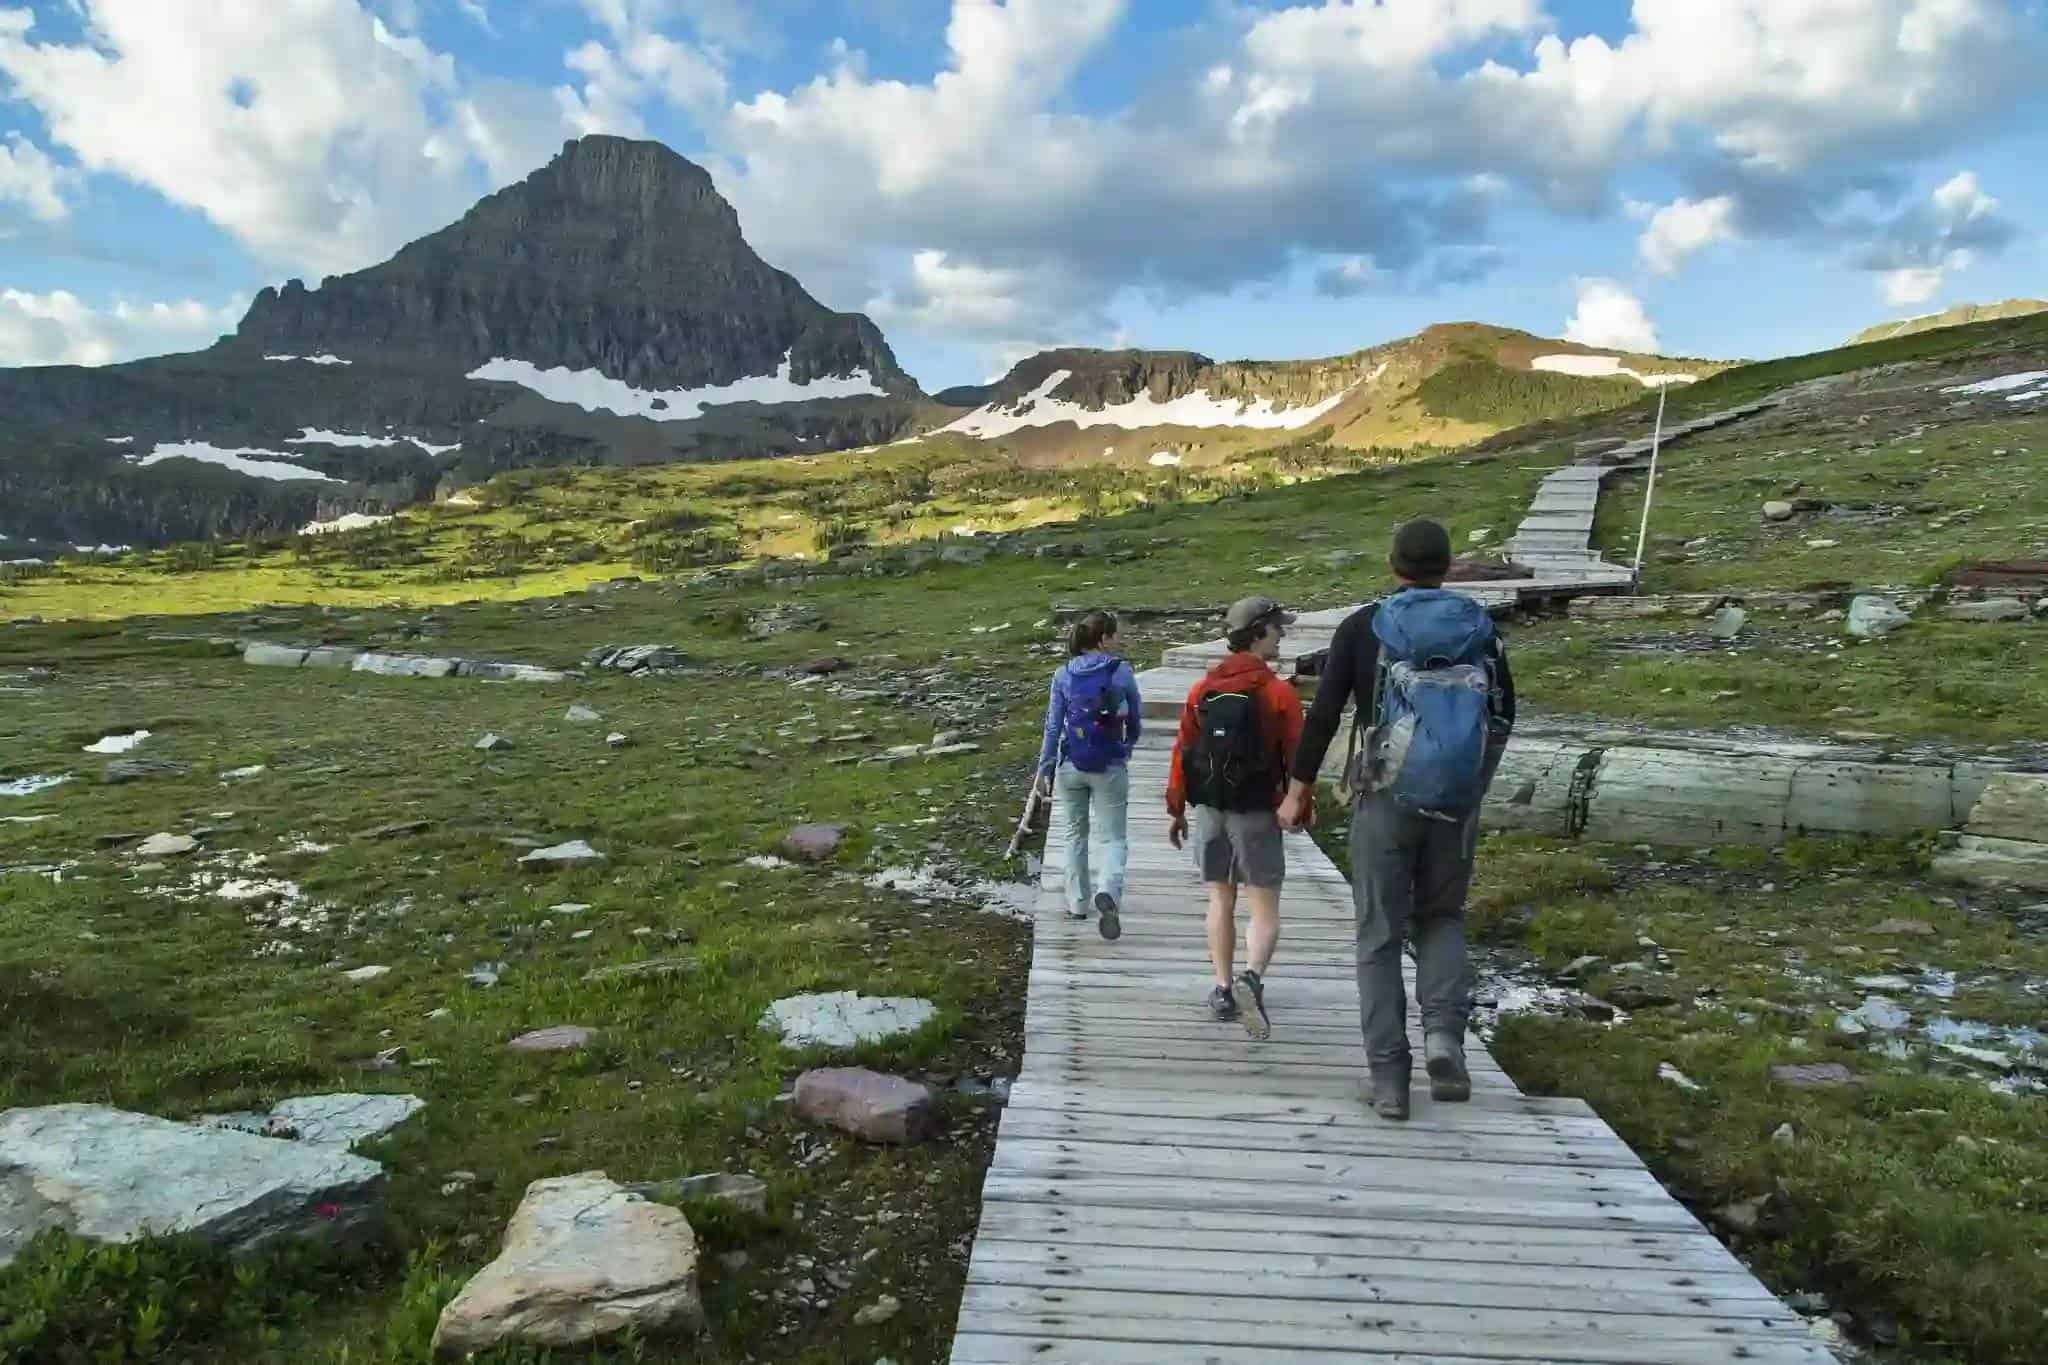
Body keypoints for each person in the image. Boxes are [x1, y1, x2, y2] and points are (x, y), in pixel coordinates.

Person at [1279, 520, 1515, 1121]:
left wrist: (1297, 790)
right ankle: (1444, 1039)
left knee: (1379, 936)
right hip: (1457, 801)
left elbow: (1326, 714)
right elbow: (1505, 712)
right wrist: (1472, 786)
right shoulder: (1478, 628)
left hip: (1383, 796)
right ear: (1450, 565)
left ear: (1393, 564)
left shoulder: (1363, 627)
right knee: (1442, 917)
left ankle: (1389, 1080)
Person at [1166, 596, 1307, 1040]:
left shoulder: (1203, 689)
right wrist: (1302, 806)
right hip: (1258, 811)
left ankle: (1224, 990)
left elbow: (1183, 751)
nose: (1282, 634)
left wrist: (1176, 808)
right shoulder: (1278, 692)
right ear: (1258, 632)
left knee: (1219, 900)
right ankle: (1252, 977)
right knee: (1263, 905)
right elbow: (1298, 756)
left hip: (1210, 808)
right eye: (1277, 628)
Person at [1036, 611, 1144, 939]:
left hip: (1071, 765)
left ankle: (1078, 902)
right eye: (1115, 635)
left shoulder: (1063, 674)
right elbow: (1136, 717)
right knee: (1113, 837)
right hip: (1109, 765)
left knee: (1074, 834)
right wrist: (1126, 748)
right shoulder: (1120, 671)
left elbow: (1054, 725)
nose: (1119, 640)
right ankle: (1108, 889)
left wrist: (1045, 767)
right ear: (1103, 640)